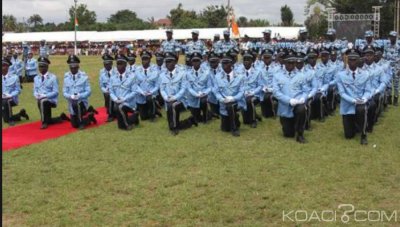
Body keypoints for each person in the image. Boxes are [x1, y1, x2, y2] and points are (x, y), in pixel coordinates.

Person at [336, 48, 371, 145]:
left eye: (354, 59)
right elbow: (342, 93)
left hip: (360, 103)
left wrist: (364, 98)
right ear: (347, 60)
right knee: (349, 136)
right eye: (350, 59)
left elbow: (368, 91)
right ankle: (357, 123)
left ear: (358, 60)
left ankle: (363, 135)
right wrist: (353, 100)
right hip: (348, 107)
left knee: (362, 109)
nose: (352, 62)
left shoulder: (365, 74)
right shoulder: (340, 75)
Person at [273, 50, 308, 143]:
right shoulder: (277, 75)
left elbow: (306, 91)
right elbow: (276, 92)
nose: (291, 65)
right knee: (288, 134)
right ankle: (292, 126)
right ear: (284, 62)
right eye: (289, 62)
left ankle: (300, 134)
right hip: (285, 107)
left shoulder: (301, 75)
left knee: (301, 109)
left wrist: (303, 98)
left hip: (297, 104)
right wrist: (289, 100)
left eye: (293, 63)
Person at [160, 52, 196, 135]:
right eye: (166, 62)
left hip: (181, 100)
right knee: (170, 105)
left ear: (175, 62)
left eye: (170, 61)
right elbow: (162, 89)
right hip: (168, 99)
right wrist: (166, 97)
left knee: (172, 105)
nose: (168, 64)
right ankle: (190, 121)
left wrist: (175, 97)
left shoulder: (182, 73)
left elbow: (183, 89)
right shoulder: (162, 75)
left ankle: (174, 128)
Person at [213, 51, 246, 137]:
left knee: (230, 106)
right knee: (224, 129)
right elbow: (216, 92)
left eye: (227, 63)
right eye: (223, 63)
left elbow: (242, 92)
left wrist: (233, 98)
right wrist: (222, 99)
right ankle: (235, 118)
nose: (224, 65)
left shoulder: (240, 76)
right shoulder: (217, 76)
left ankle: (234, 129)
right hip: (224, 103)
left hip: (237, 102)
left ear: (231, 63)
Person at [34, 56, 69, 129]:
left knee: (43, 101)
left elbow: (56, 92)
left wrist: (45, 95)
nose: (41, 68)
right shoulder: (36, 78)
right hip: (41, 99)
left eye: (43, 66)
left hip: (51, 100)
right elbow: (35, 90)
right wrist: (37, 95)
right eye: (40, 66)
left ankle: (44, 122)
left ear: (47, 67)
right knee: (40, 101)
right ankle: (59, 118)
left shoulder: (53, 77)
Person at [63, 55, 97, 129]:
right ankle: (90, 116)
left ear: (78, 67)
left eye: (75, 67)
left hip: (82, 104)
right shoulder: (66, 78)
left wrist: (79, 96)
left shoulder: (84, 77)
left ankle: (81, 122)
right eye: (71, 67)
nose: (73, 69)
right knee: (74, 125)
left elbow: (89, 91)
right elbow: (64, 92)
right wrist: (70, 96)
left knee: (79, 123)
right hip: (71, 104)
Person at [109, 54, 140, 130]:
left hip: (129, 103)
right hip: (118, 101)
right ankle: (134, 117)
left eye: (121, 64)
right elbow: (111, 91)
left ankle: (126, 126)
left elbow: (134, 92)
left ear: (126, 64)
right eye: (118, 64)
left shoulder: (132, 76)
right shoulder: (113, 77)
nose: (119, 66)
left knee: (121, 125)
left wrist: (124, 99)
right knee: (118, 107)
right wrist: (115, 99)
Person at [185, 51, 212, 124]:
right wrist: (196, 94)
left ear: (201, 61)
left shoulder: (207, 72)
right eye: (194, 61)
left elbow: (209, 87)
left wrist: (204, 93)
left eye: (197, 60)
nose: (195, 62)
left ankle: (206, 117)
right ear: (191, 62)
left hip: (203, 96)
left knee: (203, 101)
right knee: (196, 118)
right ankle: (206, 113)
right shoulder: (187, 74)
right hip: (193, 98)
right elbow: (189, 88)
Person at [2, 57, 29, 126]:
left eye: (4, 65)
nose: (2, 67)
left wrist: (10, 95)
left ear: (8, 67)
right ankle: (20, 114)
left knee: (6, 101)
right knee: (5, 119)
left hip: (12, 99)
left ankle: (11, 120)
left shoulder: (14, 77)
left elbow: (18, 90)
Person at [136, 50, 161, 121]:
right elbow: (136, 85)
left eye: (146, 59)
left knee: (149, 98)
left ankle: (153, 115)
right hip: (141, 95)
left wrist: (151, 92)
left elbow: (157, 85)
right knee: (143, 118)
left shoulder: (155, 70)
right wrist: (142, 92)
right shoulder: (137, 70)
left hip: (151, 94)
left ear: (150, 60)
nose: (144, 61)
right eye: (143, 59)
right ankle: (155, 109)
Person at [241, 49, 262, 128]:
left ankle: (253, 120)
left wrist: (253, 92)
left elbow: (260, 86)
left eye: (248, 60)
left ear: (252, 61)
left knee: (249, 100)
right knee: (245, 121)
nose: (246, 61)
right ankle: (255, 115)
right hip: (243, 95)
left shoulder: (257, 72)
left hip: (255, 95)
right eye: (244, 60)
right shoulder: (238, 72)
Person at [259, 49, 278, 118]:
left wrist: (271, 89)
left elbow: (278, 82)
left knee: (268, 96)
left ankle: (274, 111)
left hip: (274, 90)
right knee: (265, 114)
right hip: (263, 91)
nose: (266, 59)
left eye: (268, 57)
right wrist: (263, 88)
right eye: (265, 58)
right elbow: (259, 81)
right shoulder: (259, 68)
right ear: (262, 58)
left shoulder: (276, 68)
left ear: (272, 58)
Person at [383, 31, 400, 106]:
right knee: (388, 84)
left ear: (396, 37)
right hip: (388, 67)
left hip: (397, 67)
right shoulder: (386, 46)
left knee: (396, 84)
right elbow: (384, 56)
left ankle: (395, 99)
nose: (392, 38)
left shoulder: (399, 46)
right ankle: (389, 99)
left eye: (393, 37)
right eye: (391, 37)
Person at [99, 53, 116, 122]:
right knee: (107, 95)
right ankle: (110, 114)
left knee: (110, 96)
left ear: (111, 63)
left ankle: (112, 113)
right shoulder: (102, 72)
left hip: (116, 91)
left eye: (108, 64)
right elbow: (101, 85)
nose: (106, 66)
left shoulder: (116, 71)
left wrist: (111, 90)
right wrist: (105, 90)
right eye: (105, 64)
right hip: (107, 92)